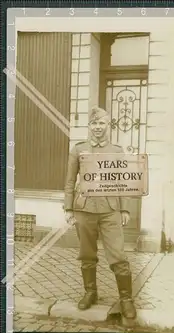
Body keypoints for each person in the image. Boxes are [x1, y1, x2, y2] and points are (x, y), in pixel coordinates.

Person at [64, 106, 136, 320]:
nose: (97, 127)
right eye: (94, 123)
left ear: (108, 125)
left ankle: (126, 299)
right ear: (89, 126)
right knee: (87, 254)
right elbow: (69, 180)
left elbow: (123, 181)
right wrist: (68, 207)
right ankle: (90, 292)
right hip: (84, 210)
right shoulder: (78, 150)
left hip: (110, 211)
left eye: (101, 123)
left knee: (118, 255)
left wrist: (124, 208)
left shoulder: (116, 151)